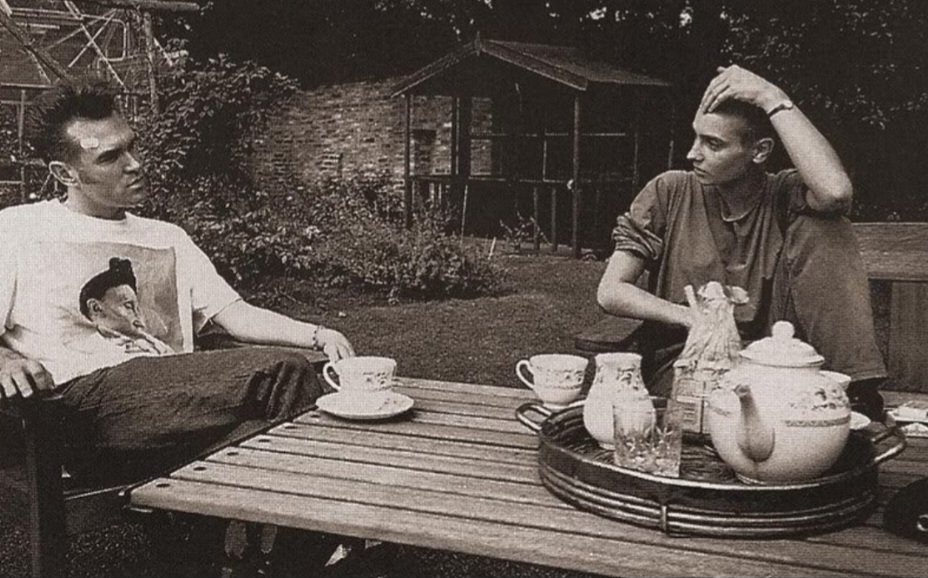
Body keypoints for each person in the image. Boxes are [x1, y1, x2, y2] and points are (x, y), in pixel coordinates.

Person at [0, 79, 356, 483]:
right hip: (85, 412)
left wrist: (318, 334)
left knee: (299, 406)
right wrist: (6, 359)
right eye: (110, 157)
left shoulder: (166, 236)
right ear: (65, 173)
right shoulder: (17, 230)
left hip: (178, 408)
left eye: (132, 146)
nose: (134, 164)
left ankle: (263, 543)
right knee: (285, 375)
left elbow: (233, 314)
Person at [597, 65, 886, 419]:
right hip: (692, 365)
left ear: (760, 151)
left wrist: (772, 97)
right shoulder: (670, 191)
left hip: (778, 369)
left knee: (827, 224)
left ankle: (856, 392)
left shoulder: (784, 195)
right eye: (696, 138)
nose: (693, 154)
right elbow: (611, 290)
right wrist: (693, 319)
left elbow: (836, 192)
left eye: (713, 144)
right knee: (743, 411)